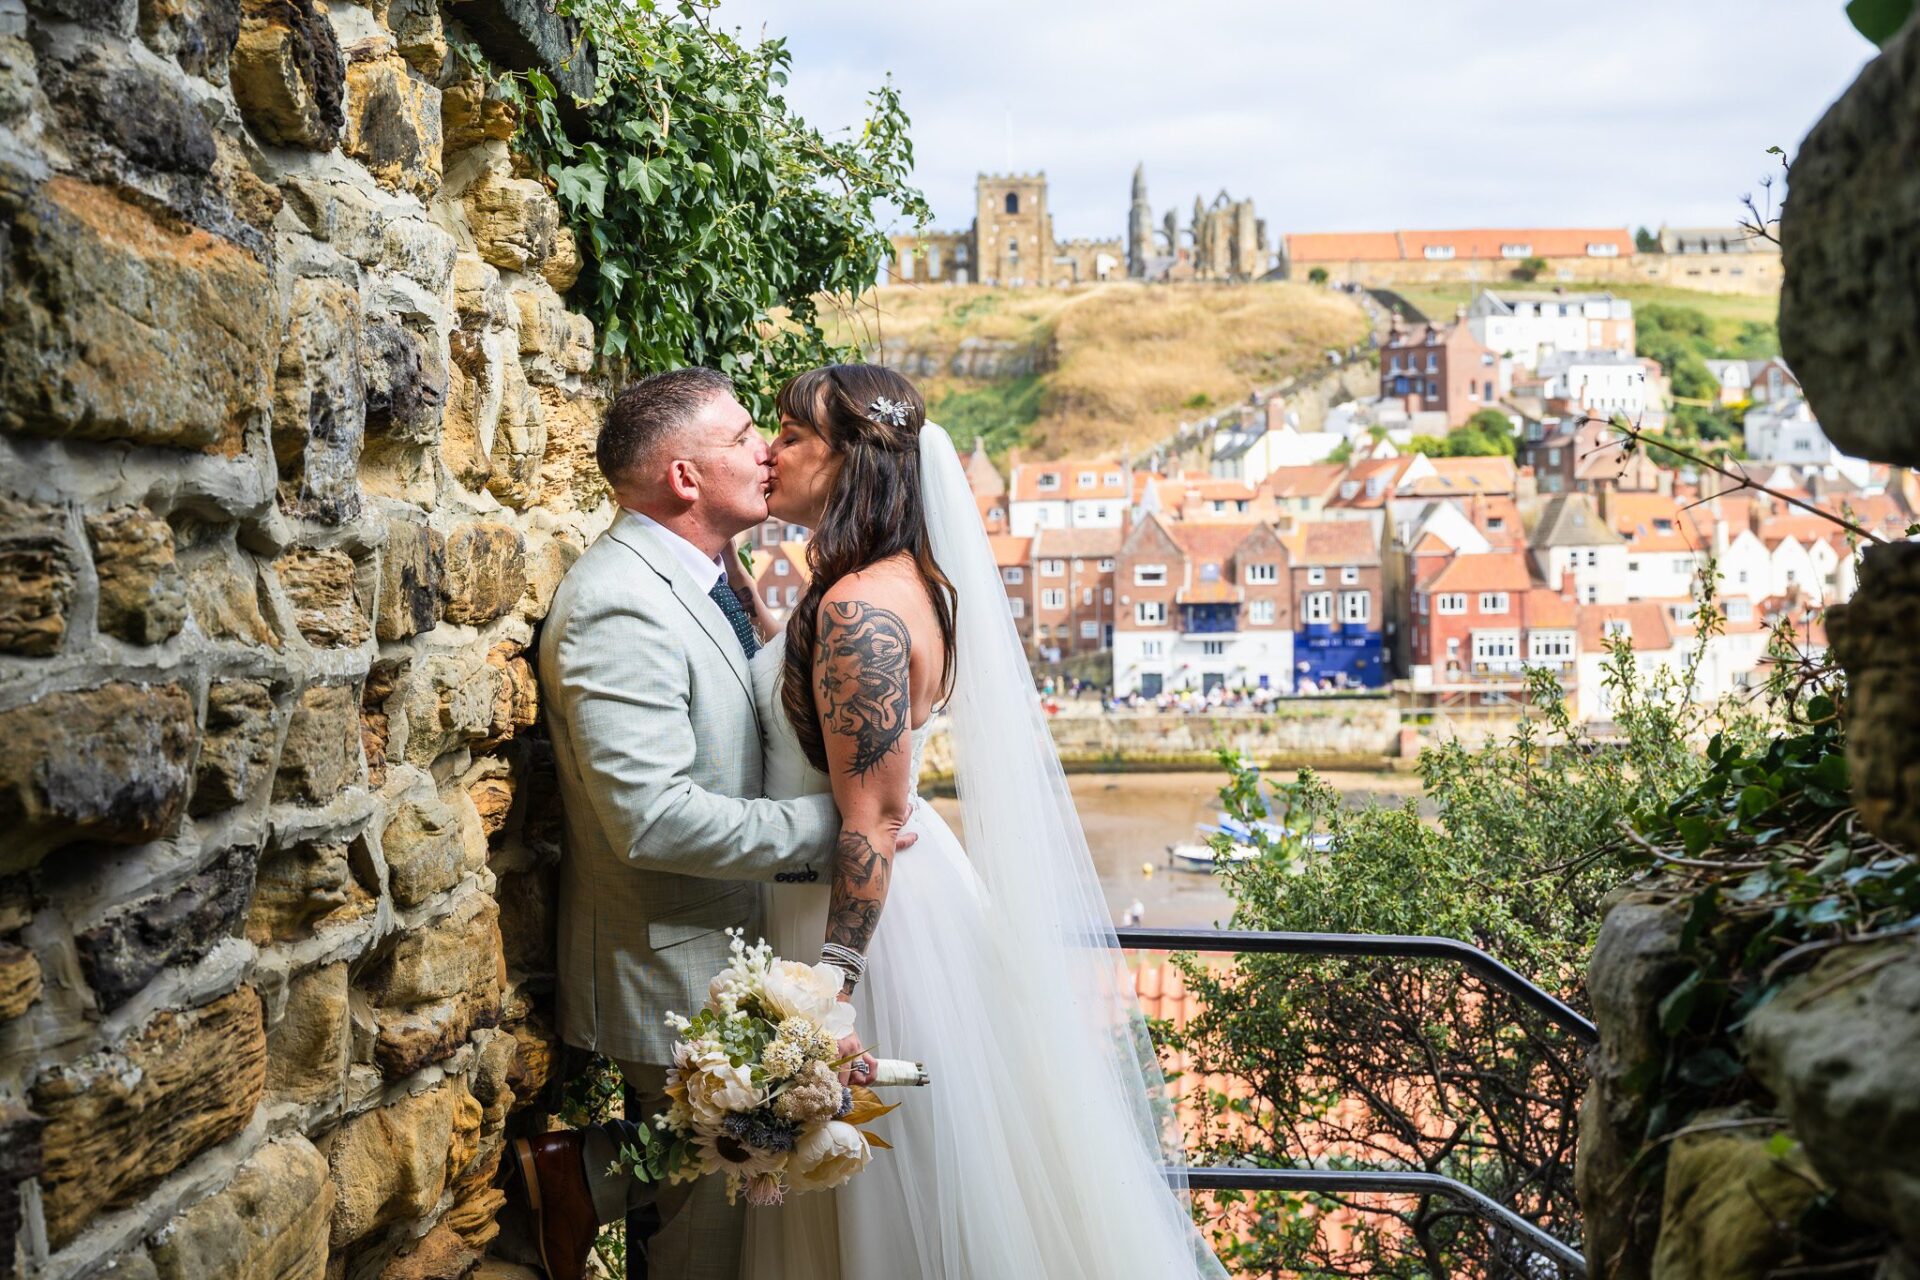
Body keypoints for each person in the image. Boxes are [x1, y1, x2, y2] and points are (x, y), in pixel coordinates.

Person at [738, 364, 1225, 1280]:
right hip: (883, 900)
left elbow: (875, 818)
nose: (772, 449)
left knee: (891, 1185)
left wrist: (829, 992)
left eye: (793, 436)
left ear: (851, 465)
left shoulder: (860, 611)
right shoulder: (880, 584)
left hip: (869, 936)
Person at [515, 369, 914, 1280]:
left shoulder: (703, 577)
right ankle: (571, 1176)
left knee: (713, 1207)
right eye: (744, 437)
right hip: (676, 963)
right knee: (705, 1251)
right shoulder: (621, 601)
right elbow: (650, 820)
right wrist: (838, 827)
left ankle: (577, 1176)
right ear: (687, 479)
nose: (766, 452)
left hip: (732, 950)